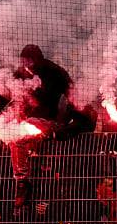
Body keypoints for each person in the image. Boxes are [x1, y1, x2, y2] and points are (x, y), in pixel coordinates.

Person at [10, 45, 73, 208]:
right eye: (24, 61)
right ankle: (22, 182)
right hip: (28, 123)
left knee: (20, 134)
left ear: (37, 59)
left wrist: (63, 124)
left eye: (29, 60)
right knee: (12, 134)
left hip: (50, 123)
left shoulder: (55, 72)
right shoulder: (20, 73)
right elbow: (16, 99)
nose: (27, 64)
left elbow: (72, 96)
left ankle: (22, 182)